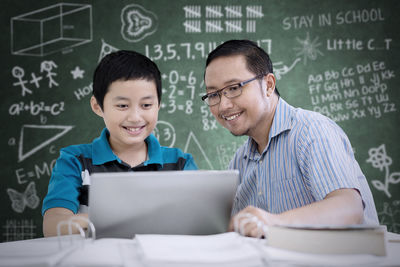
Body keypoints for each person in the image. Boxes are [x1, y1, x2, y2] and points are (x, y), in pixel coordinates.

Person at [202, 39, 379, 237]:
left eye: (234, 88)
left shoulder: (311, 131)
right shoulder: (240, 161)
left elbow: (349, 208)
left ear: (268, 85)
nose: (223, 105)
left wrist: (273, 222)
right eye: (213, 94)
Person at [42, 50, 197, 237]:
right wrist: (117, 219)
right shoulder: (74, 161)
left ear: (159, 105)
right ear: (97, 106)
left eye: (146, 105)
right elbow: (53, 226)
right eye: (122, 105)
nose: (135, 117)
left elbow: (197, 223)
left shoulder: (181, 163)